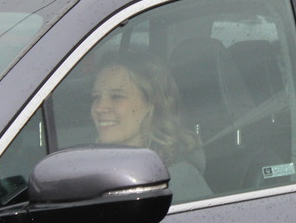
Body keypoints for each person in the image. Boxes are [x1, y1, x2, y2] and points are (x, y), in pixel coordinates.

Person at [90, 52, 212, 201]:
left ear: (153, 102)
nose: (99, 107)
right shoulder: (92, 166)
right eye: (96, 97)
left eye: (116, 96)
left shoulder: (177, 180)